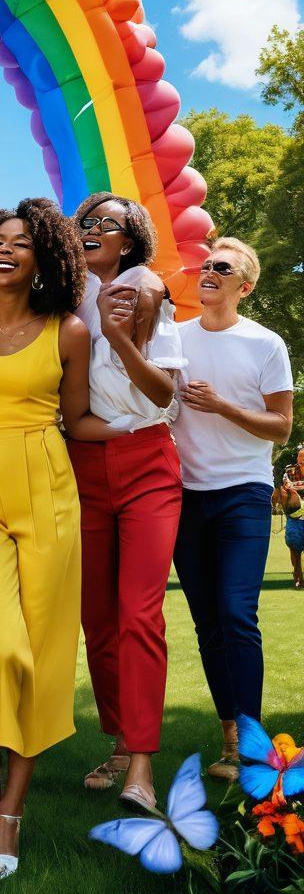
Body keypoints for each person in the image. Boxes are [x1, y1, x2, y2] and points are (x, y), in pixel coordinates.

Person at [0, 200, 110, 881]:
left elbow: (79, 419)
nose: (5, 249)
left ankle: (11, 808)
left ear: (45, 258)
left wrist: (146, 425)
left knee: (41, 655)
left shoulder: (69, 330)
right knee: (0, 647)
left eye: (21, 242)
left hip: (47, 484)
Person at [67, 193, 186, 812]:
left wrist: (118, 334)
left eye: (106, 224)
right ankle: (118, 738)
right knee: (98, 617)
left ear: (131, 239)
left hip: (147, 461)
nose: (92, 230)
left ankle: (141, 764)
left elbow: (164, 393)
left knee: (140, 613)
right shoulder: (65, 300)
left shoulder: (145, 292)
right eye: (85, 222)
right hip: (83, 462)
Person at [171, 238, 293, 781]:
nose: (208, 271)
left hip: (244, 491)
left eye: (222, 267)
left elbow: (281, 427)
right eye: (205, 264)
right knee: (207, 621)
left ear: (245, 286)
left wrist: (221, 406)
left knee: (237, 612)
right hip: (185, 495)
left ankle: (252, 739)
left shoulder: (266, 344)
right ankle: (230, 738)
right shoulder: (175, 338)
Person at [276, 448, 304, 589]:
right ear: (298, 459)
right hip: (294, 517)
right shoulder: (289, 471)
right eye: (301, 457)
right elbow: (286, 487)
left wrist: (295, 487)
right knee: (294, 547)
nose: (302, 461)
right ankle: (297, 576)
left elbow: (292, 488)